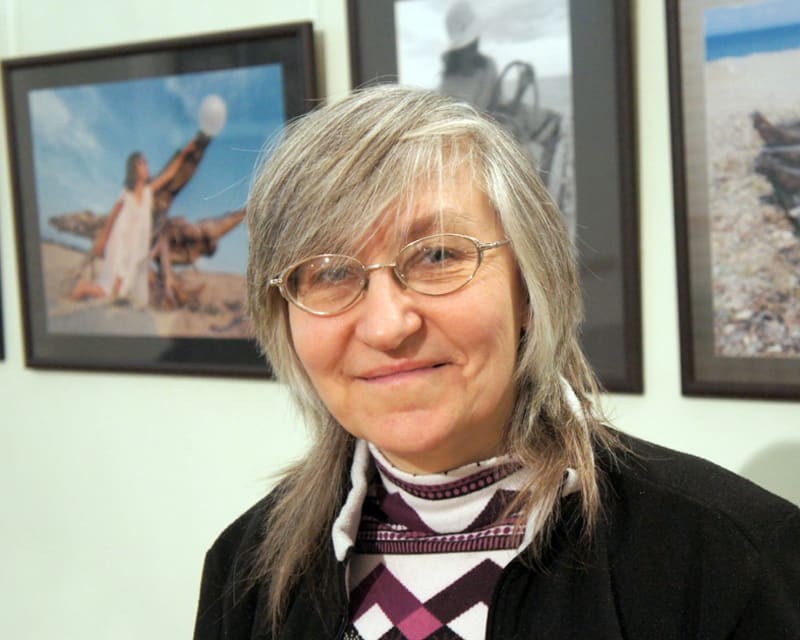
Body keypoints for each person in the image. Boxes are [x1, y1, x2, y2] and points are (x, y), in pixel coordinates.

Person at [193, 86, 800, 639]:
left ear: (529, 289)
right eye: (329, 273)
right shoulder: (245, 571)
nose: (386, 326)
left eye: (437, 255)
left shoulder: (730, 560)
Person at [70, 142, 195, 306]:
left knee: (121, 290)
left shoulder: (148, 192)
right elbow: (112, 218)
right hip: (120, 244)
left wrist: (183, 154)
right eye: (143, 163)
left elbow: (170, 174)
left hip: (135, 248)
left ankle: (85, 290)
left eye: (146, 163)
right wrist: (103, 240)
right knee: (113, 287)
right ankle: (82, 288)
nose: (147, 166)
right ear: (134, 168)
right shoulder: (126, 194)